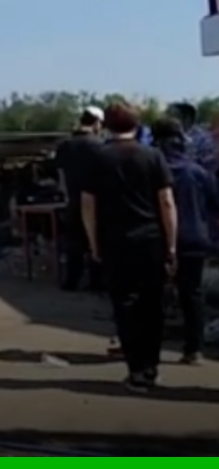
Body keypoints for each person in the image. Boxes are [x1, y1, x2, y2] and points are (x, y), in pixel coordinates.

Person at [81, 103, 177, 392]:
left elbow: (88, 205)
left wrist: (93, 243)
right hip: (150, 238)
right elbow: (166, 202)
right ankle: (151, 367)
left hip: (114, 241)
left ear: (107, 125)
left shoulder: (97, 158)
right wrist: (171, 244)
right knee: (152, 304)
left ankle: (135, 369)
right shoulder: (153, 156)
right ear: (137, 124)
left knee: (124, 304)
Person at [152, 117, 216, 366]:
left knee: (152, 294)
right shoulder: (196, 171)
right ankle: (194, 349)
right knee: (192, 294)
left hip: (156, 239)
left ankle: (148, 349)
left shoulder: (151, 170)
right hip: (194, 238)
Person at [54, 107, 105, 292]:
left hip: (73, 199)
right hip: (96, 200)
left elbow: (60, 174)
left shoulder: (65, 145)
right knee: (96, 241)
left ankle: (72, 281)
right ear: (97, 123)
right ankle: (97, 281)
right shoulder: (99, 146)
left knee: (74, 243)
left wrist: (65, 194)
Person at [168, 102, 218, 176]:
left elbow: (209, 168)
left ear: (187, 119)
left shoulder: (203, 140)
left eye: (174, 116)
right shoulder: (169, 136)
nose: (169, 119)